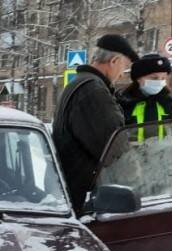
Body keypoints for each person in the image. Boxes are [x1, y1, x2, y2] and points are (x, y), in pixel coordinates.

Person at [52, 34, 139, 213]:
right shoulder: (92, 91)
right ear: (114, 61)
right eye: (124, 67)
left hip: (74, 193)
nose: (123, 73)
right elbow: (114, 150)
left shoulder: (80, 84)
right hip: (85, 201)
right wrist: (138, 179)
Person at [118, 54, 172, 142]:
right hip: (130, 154)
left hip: (163, 154)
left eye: (163, 78)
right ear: (139, 78)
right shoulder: (123, 103)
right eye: (154, 78)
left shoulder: (171, 103)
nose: (159, 82)